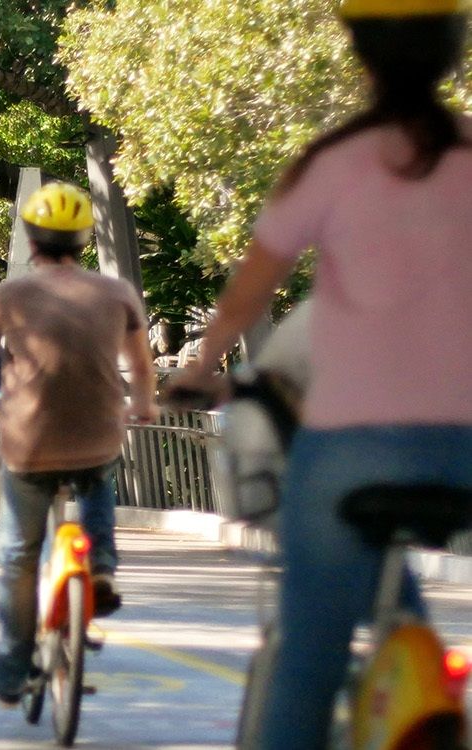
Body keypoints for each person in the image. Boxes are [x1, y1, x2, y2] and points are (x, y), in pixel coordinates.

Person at [165, 1, 472, 745]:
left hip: (350, 449)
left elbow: (246, 296)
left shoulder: (331, 163)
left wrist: (201, 368)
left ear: (360, 57)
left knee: (310, 656)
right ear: (454, 52)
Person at [0, 182, 156, 705]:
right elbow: (142, 365)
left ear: (32, 239)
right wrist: (145, 404)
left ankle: (15, 666)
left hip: (29, 441)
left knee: (18, 555)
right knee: (98, 470)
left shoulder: (9, 295)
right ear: (84, 239)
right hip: (97, 432)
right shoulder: (117, 294)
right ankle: (102, 565)